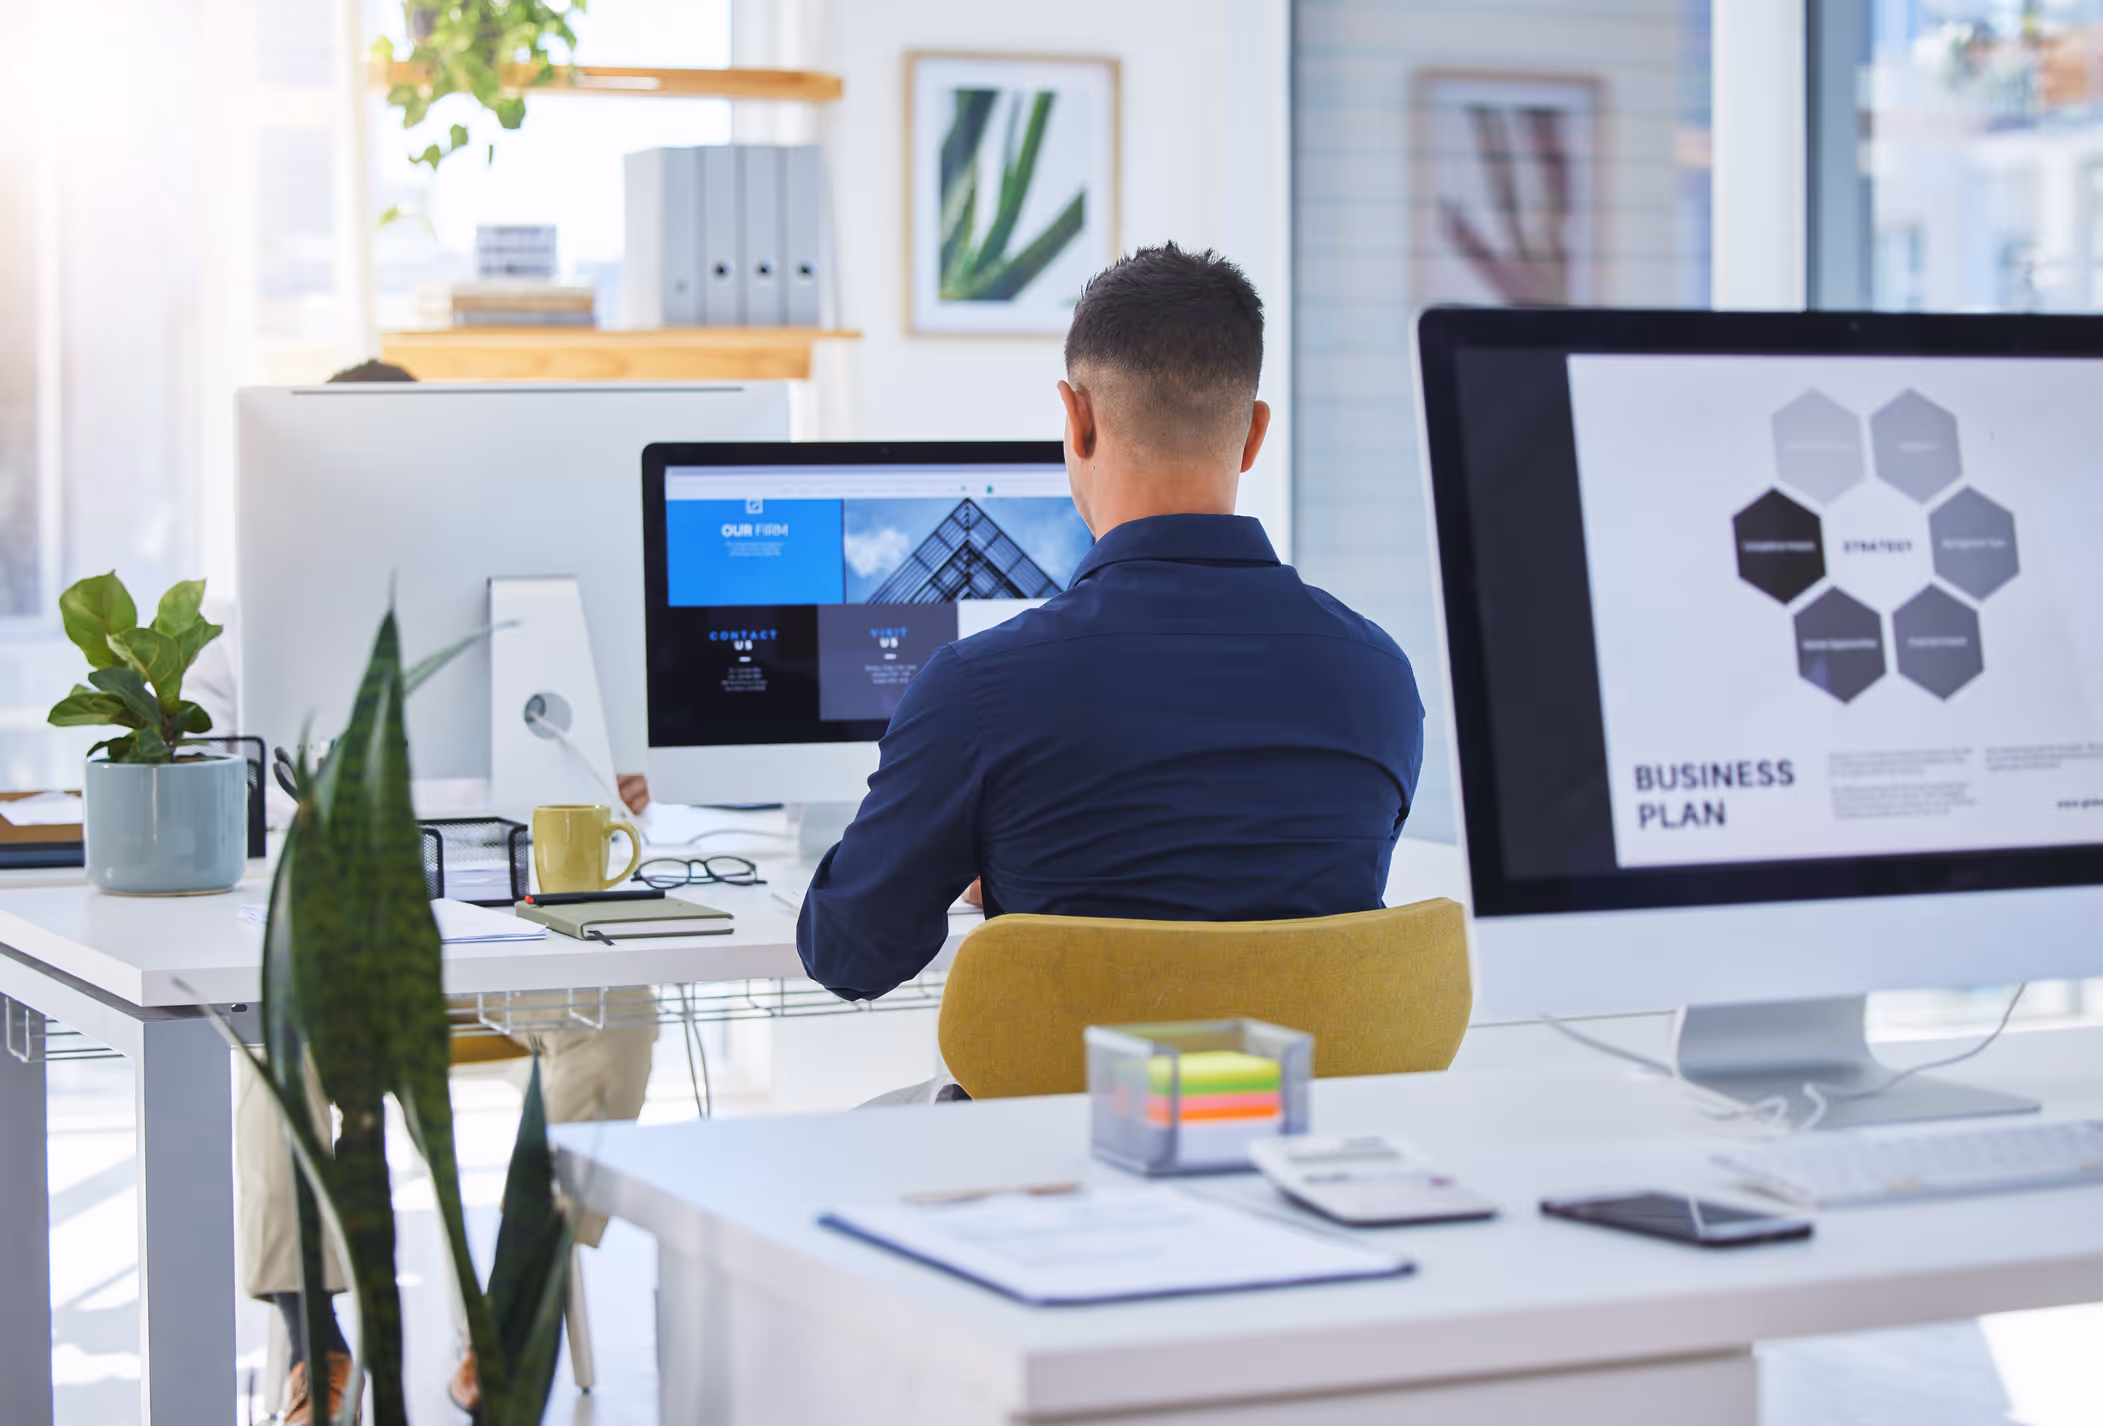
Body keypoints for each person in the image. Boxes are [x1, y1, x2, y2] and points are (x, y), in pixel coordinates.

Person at [796, 243, 1425, 1013]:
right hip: (1290, 1119)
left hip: (1060, 1128)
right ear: (1254, 435)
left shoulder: (979, 689)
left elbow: (850, 956)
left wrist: (982, 845)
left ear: (1076, 417)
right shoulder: (1379, 674)